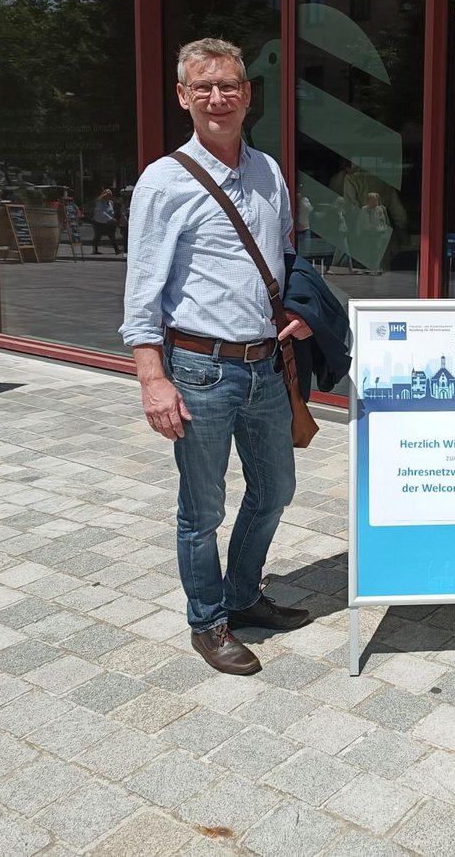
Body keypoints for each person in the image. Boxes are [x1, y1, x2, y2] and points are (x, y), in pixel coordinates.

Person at [121, 37, 314, 676]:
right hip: (199, 370)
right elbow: (142, 290)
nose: (217, 97)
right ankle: (208, 621)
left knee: (276, 489)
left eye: (228, 85)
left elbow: (283, 257)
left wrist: (297, 311)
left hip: (265, 366)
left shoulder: (268, 171)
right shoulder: (163, 180)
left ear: (247, 94)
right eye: (202, 87)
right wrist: (152, 379)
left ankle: (243, 594)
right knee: (202, 510)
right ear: (183, 96)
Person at [355, 191, 390, 275]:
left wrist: (384, 231)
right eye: (373, 200)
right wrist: (358, 233)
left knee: (377, 250)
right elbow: (360, 222)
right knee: (368, 251)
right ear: (368, 200)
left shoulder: (380, 209)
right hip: (367, 233)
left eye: (376, 200)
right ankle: (369, 268)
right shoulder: (364, 209)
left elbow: (383, 221)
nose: (375, 202)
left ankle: (377, 268)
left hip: (377, 233)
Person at [91, 189, 121, 254]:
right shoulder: (100, 202)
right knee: (98, 236)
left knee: (112, 235)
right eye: (107, 195)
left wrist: (112, 218)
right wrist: (111, 218)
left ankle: (117, 250)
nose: (108, 196)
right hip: (99, 222)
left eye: (110, 195)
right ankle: (95, 250)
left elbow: (111, 212)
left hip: (108, 222)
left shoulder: (111, 202)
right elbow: (102, 212)